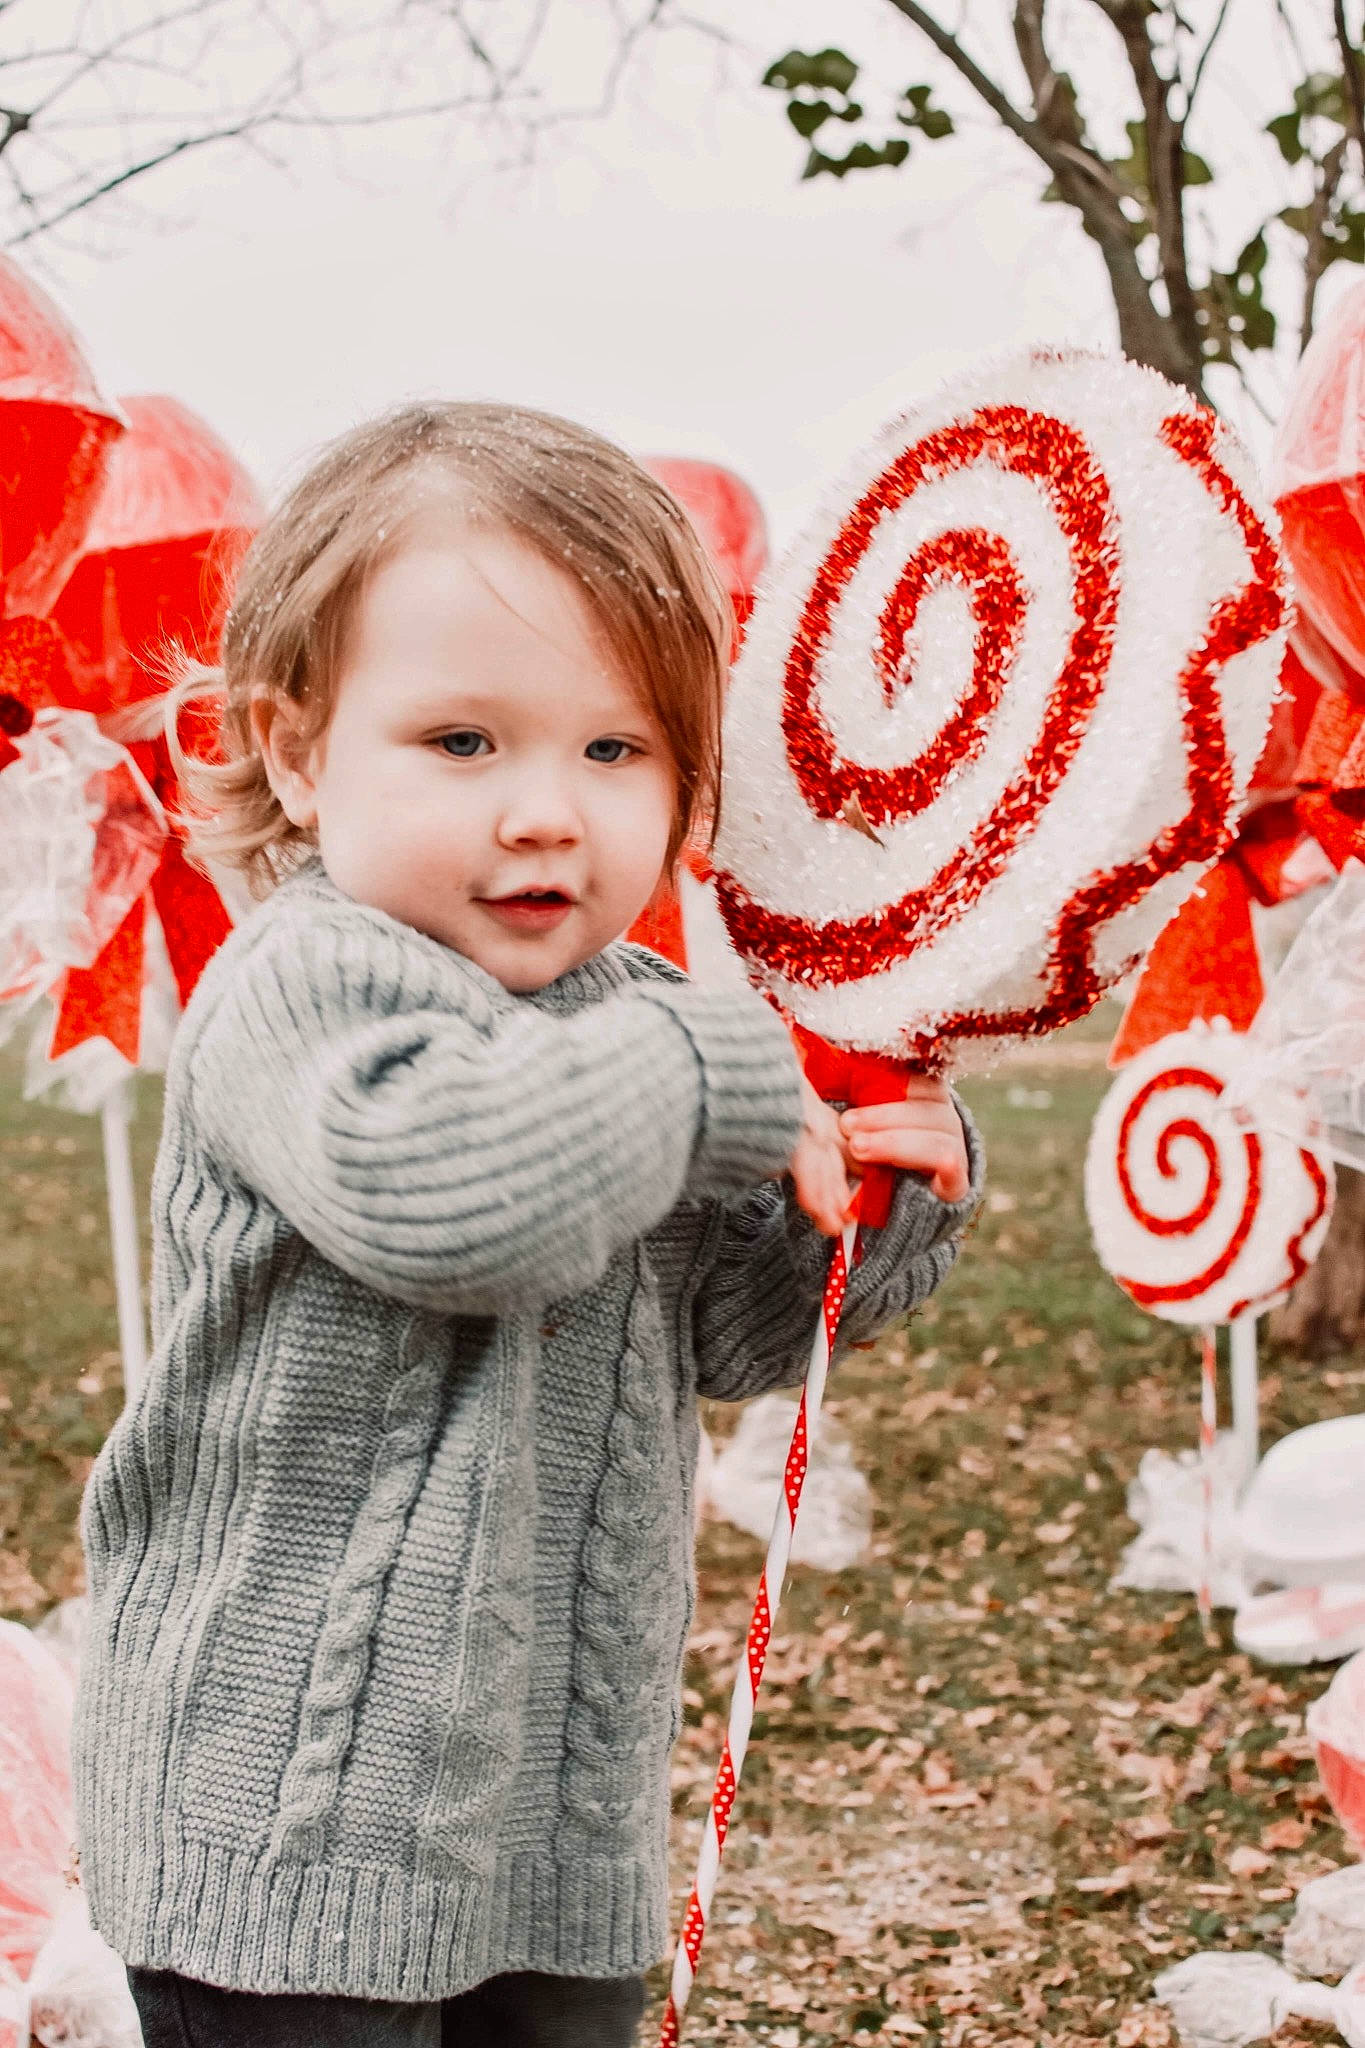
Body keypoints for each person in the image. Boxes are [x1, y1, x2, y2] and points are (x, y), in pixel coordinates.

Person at [72, 402, 982, 2048]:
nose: (547, 812)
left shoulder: (639, 1012)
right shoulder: (305, 984)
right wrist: (714, 1058)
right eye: (463, 743)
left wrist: (877, 1199)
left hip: (550, 1821)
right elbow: (448, 1199)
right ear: (294, 747)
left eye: (613, 749)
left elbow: (733, 1332)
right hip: (285, 1829)